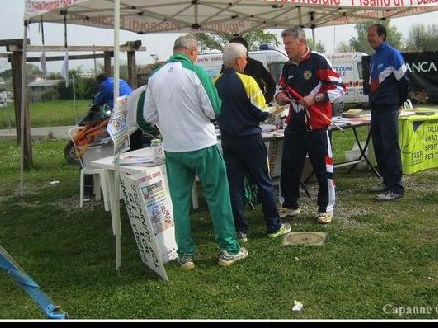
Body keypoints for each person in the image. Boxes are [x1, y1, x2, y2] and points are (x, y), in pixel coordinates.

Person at [144, 34, 247, 269]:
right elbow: (214, 110)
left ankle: (185, 254)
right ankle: (228, 249)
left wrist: (168, 123)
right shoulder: (196, 72)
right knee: (218, 197)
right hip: (202, 144)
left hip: (173, 148)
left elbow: (148, 115)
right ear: (192, 52)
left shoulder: (155, 76)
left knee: (180, 203)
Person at [214, 42, 291, 242]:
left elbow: (213, 112)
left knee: (234, 186)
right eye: (246, 58)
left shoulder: (215, 82)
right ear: (239, 60)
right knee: (263, 182)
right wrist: (275, 110)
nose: (247, 62)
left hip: (228, 140)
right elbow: (261, 111)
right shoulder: (248, 81)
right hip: (250, 138)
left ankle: (240, 230)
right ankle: (273, 226)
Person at [274, 27, 346, 224]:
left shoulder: (319, 61)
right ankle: (289, 205)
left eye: (289, 44)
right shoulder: (287, 67)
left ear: (302, 42)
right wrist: (280, 96)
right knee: (288, 167)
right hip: (294, 126)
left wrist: (316, 98)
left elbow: (339, 87)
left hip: (317, 126)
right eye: (285, 44)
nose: (286, 48)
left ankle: (326, 208)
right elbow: (280, 88)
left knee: (323, 168)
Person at [365, 23, 409, 201]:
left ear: (382, 36)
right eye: (368, 36)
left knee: (390, 146)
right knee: (379, 145)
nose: (369, 38)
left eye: (372, 35)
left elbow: (403, 81)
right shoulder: (374, 57)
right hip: (376, 107)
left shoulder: (392, 54)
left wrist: (399, 102)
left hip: (389, 107)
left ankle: (396, 188)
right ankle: (386, 180)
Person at [227, 36, 277, 104]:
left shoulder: (256, 66)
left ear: (245, 51)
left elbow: (272, 84)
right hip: (234, 107)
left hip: (255, 107)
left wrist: (265, 100)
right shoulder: (226, 67)